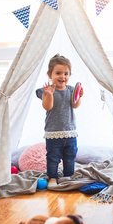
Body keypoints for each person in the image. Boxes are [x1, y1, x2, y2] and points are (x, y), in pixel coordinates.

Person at [36, 54, 83, 188]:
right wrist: (49, 95)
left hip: (70, 132)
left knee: (70, 156)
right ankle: (52, 177)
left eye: (66, 73)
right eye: (58, 73)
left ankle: (68, 176)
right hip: (53, 132)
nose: (62, 76)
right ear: (50, 74)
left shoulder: (71, 89)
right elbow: (47, 106)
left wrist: (79, 96)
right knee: (53, 157)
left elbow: (75, 105)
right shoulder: (45, 91)